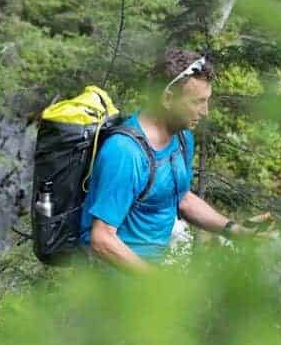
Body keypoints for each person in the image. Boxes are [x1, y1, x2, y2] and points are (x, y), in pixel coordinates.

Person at [80, 49, 263, 273]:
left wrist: (234, 230)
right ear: (168, 99)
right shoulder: (125, 152)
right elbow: (102, 239)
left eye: (207, 101)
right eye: (198, 102)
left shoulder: (182, 137)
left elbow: (182, 198)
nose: (205, 112)